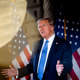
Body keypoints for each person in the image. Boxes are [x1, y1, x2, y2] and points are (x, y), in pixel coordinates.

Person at [1, 18, 72, 80]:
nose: (41, 28)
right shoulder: (36, 45)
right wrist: (18, 72)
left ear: (51, 27)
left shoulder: (63, 44)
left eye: (44, 25)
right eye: (39, 27)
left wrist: (61, 69)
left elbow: (68, 64)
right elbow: (32, 66)